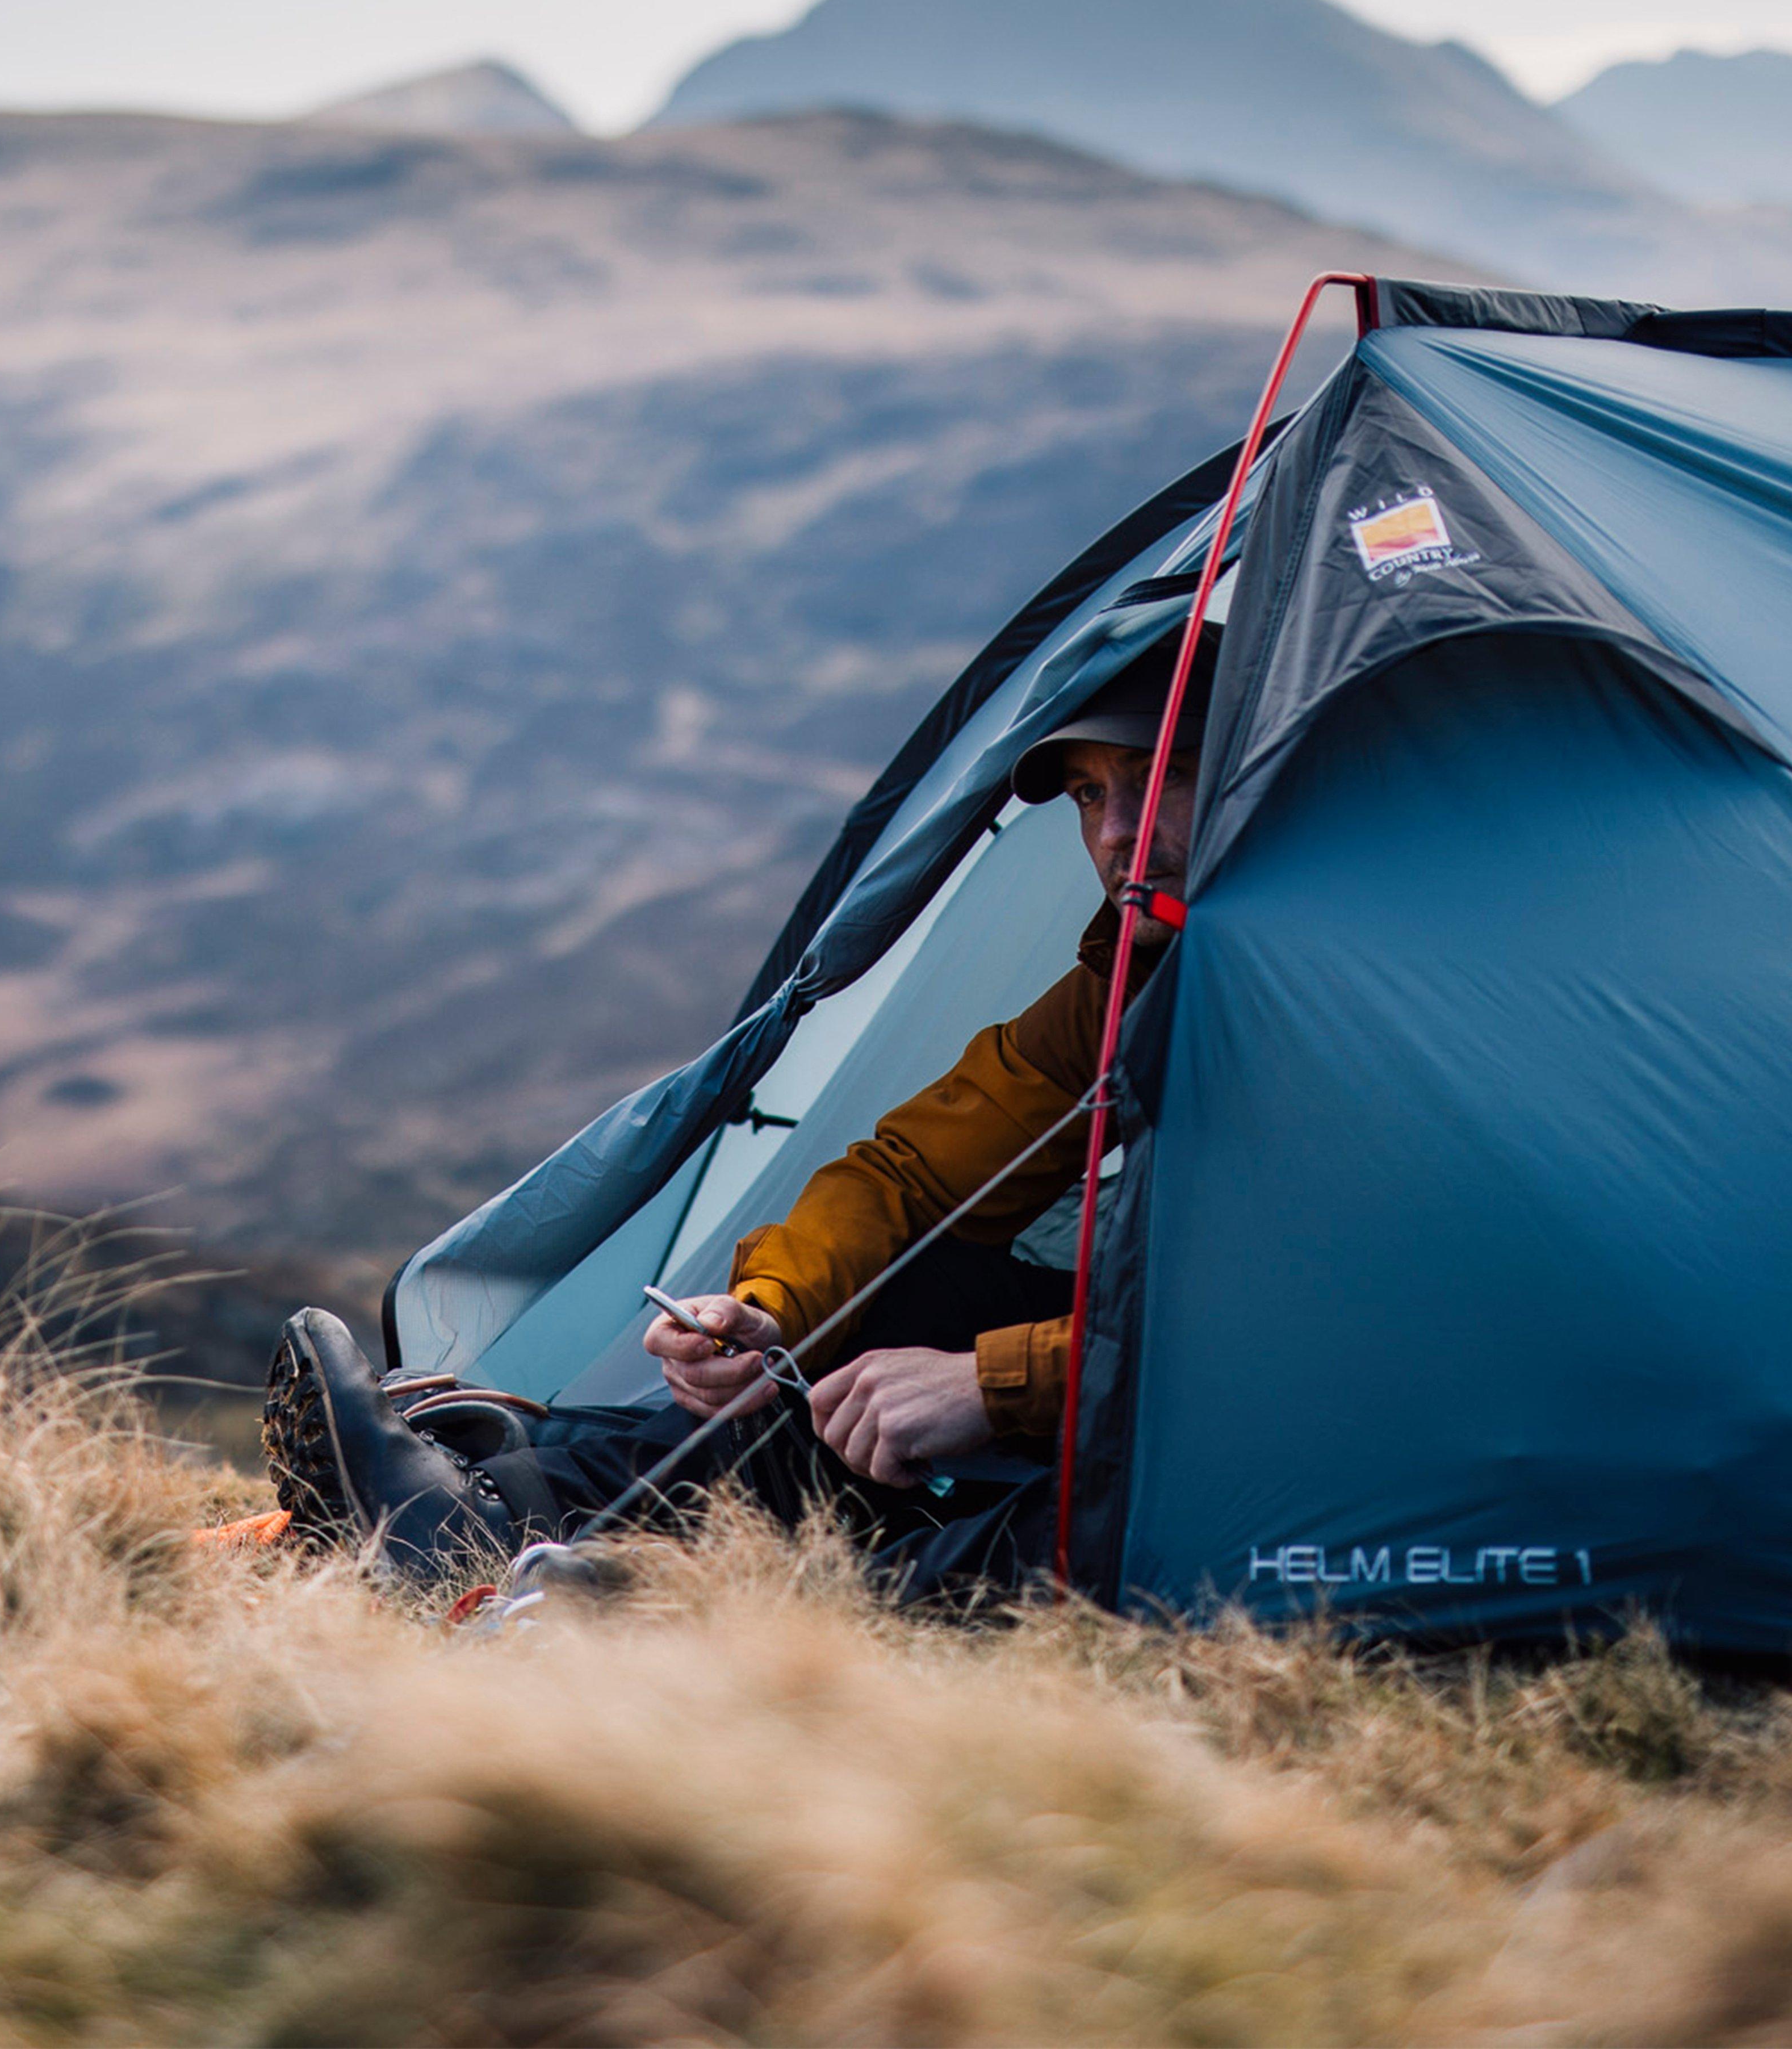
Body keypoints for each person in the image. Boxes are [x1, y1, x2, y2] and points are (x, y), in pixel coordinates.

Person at [265, 633, 1215, 1583]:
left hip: (1254, 1439)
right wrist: (770, 1310)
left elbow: (1289, 1330)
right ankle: (508, 1499)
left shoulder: (1299, 1003)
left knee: (1067, 1478)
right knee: (905, 1289)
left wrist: (994, 1384)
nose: (1116, 834)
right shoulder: (1129, 985)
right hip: (1166, 1361)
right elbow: (912, 1177)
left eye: (1162, 774)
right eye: (1089, 794)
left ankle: (640, 1580)